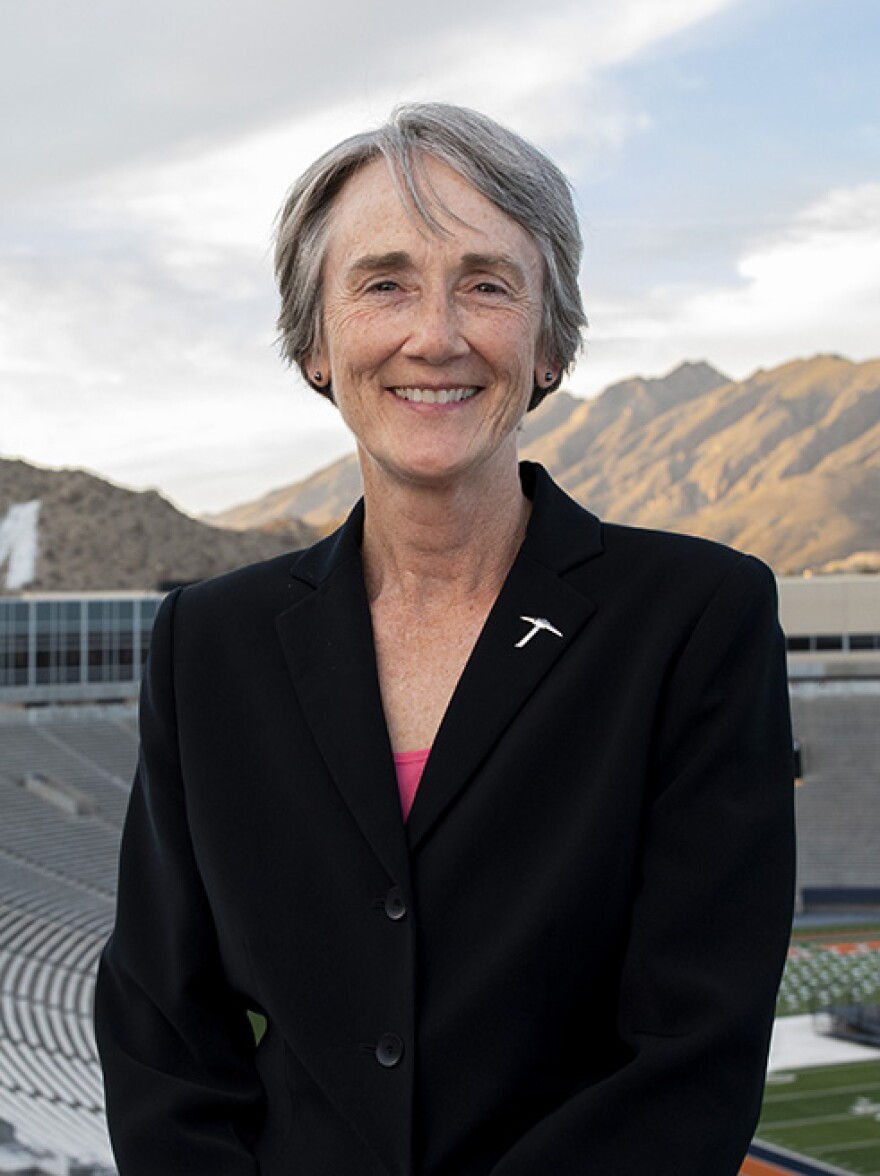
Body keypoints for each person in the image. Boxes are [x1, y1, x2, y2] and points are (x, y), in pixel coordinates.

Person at [94, 103, 795, 1175]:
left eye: (486, 282)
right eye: (383, 283)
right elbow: (161, 1034)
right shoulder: (209, 645)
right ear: (314, 343)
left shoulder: (697, 619)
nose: (436, 334)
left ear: (549, 338)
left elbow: (691, 1053)